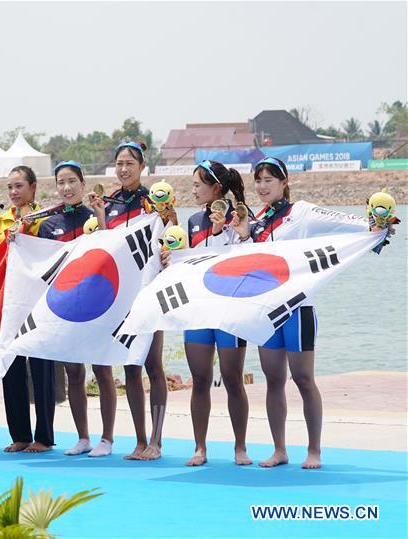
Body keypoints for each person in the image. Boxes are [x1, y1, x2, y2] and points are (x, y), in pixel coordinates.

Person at [230, 156, 394, 469]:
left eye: (269, 180)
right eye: (258, 181)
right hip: (267, 312)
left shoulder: (301, 212)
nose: (263, 186)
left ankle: (314, 450)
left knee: (304, 379)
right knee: (273, 380)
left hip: (299, 310)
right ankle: (279, 449)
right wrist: (243, 236)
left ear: (284, 182)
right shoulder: (257, 221)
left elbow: (343, 222)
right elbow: (247, 264)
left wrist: (373, 228)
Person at [36, 160, 115, 457]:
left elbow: (109, 253)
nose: (66, 188)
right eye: (61, 182)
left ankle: (107, 439)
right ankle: (83, 437)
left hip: (97, 304)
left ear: (83, 185)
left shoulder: (94, 218)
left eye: (72, 182)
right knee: (73, 373)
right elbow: (40, 266)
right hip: (65, 307)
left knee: (103, 370)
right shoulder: (48, 225)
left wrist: (101, 218)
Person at [179, 160, 252, 466]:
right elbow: (191, 261)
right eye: (193, 184)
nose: (193, 190)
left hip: (230, 312)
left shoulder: (240, 218)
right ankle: (200, 447)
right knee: (199, 379)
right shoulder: (194, 220)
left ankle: (240, 447)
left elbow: (244, 259)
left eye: (198, 185)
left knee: (232, 378)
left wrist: (225, 231)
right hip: (198, 311)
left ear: (216, 188)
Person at [101, 141, 170, 460]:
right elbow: (103, 248)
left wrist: (167, 221)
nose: (123, 168)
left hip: (148, 294)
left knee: (152, 364)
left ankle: (156, 441)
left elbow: (170, 238)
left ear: (143, 167)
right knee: (129, 367)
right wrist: (100, 218)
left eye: (130, 163)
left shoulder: (153, 203)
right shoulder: (109, 203)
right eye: (119, 163)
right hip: (118, 299)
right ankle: (140, 441)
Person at [0, 166, 56, 453]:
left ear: (33, 187)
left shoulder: (46, 219)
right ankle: (19, 434)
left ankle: (43, 436)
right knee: (12, 364)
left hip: (39, 301)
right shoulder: (1, 221)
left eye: (19, 186)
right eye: (10, 187)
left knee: (42, 367)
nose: (13, 192)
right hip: (10, 301)